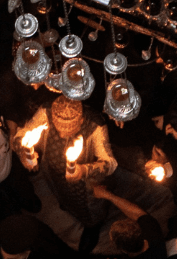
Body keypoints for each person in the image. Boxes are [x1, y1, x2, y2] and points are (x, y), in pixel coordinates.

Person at [13, 96, 117, 229]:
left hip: (84, 184)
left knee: (89, 207)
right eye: (58, 128)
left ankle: (93, 227)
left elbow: (110, 163)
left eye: (68, 131)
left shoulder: (94, 125)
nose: (61, 135)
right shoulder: (47, 111)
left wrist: (84, 170)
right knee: (62, 197)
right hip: (53, 173)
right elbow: (22, 134)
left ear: (80, 121)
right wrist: (23, 151)